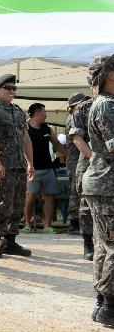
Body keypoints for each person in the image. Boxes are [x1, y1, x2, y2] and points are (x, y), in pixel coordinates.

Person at [0, 74, 35, 257]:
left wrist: (30, 163)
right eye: (8, 88)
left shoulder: (19, 111)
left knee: (17, 205)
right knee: (2, 204)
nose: (12, 91)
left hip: (19, 165)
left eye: (14, 88)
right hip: (3, 165)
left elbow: (26, 139)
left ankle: (11, 242)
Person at [81, 55, 114, 327]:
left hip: (103, 183)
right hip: (107, 184)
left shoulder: (102, 103)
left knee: (105, 245)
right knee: (111, 245)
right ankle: (108, 306)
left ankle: (103, 304)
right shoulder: (108, 105)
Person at [23, 103, 65, 233]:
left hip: (48, 168)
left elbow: (56, 143)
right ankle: (27, 224)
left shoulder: (47, 128)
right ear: (36, 114)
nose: (46, 115)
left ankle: (47, 226)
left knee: (50, 195)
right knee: (30, 196)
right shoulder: (24, 127)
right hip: (31, 169)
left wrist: (66, 156)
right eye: (44, 112)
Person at [69, 72, 98, 261]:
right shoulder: (83, 108)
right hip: (89, 162)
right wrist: (94, 158)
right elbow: (77, 138)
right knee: (86, 205)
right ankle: (88, 243)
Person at [64, 93, 89, 235]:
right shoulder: (72, 119)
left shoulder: (76, 117)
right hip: (75, 161)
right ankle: (74, 222)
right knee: (76, 191)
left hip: (76, 159)